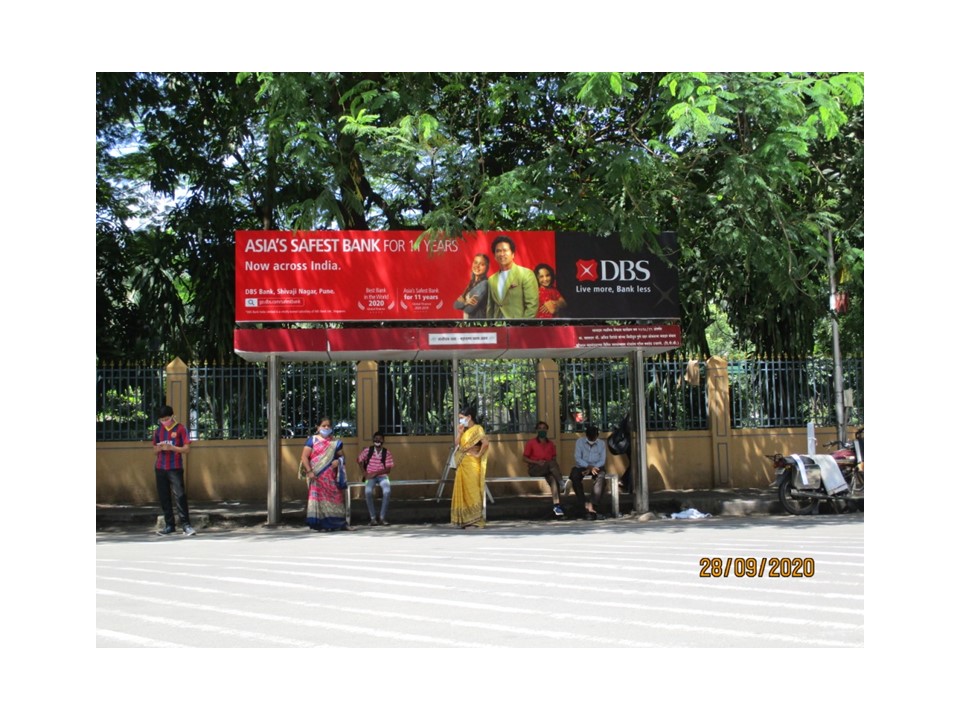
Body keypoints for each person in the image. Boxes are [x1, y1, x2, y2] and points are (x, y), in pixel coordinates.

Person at [300, 417, 350, 532]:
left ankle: (339, 524)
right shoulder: (312, 440)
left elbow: (342, 457)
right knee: (319, 501)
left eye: (328, 426)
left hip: (331, 477)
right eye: (323, 426)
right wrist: (309, 471)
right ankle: (321, 525)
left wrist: (338, 461)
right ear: (318, 427)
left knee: (336, 498)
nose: (326, 428)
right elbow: (304, 457)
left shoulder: (335, 443)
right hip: (316, 476)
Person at [152, 405, 196, 536]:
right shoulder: (158, 431)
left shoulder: (181, 428)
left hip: (175, 467)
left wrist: (172, 448)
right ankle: (169, 525)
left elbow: (186, 449)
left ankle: (186, 525)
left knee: (180, 496)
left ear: (172, 416)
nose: (164, 421)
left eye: (166, 419)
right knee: (164, 497)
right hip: (160, 467)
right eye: (162, 420)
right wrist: (159, 448)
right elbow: (154, 450)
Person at [451, 406, 490, 529]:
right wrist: (459, 432)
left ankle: (476, 520)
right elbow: (457, 444)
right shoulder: (464, 430)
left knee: (472, 490)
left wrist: (478, 454)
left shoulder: (478, 429)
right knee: (464, 491)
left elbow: (485, 443)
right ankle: (465, 520)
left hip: (472, 464)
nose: (460, 421)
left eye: (462, 418)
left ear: (469, 417)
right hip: (462, 464)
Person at [487, 235, 539, 319]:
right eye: (498, 251)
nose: (502, 254)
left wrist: (522, 325)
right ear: (495, 256)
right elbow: (490, 308)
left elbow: (532, 306)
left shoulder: (526, 274)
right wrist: (489, 325)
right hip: (497, 325)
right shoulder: (491, 279)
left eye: (505, 250)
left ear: (513, 254)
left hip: (518, 325)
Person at [523, 420, 566, 518]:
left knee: (553, 479)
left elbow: (553, 458)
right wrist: (537, 462)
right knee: (551, 464)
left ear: (547, 430)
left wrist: (549, 465)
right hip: (535, 468)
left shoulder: (550, 444)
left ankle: (557, 505)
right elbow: (524, 458)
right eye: (540, 428)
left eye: (544, 428)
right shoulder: (531, 443)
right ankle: (562, 483)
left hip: (548, 469)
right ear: (537, 430)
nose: (542, 430)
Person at [570, 425, 608, 520]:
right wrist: (588, 467)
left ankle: (592, 504)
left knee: (601, 477)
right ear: (586, 435)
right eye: (590, 437)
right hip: (582, 466)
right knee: (574, 476)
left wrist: (592, 468)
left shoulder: (601, 444)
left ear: (597, 435)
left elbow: (602, 460)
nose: (591, 439)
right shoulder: (580, 442)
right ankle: (584, 503)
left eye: (593, 437)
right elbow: (578, 458)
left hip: (597, 467)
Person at [357, 431, 395, 526]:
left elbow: (388, 470)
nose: (378, 441)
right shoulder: (368, 451)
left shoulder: (387, 452)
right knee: (368, 491)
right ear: (373, 440)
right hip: (370, 476)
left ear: (383, 441)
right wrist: (364, 473)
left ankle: (382, 518)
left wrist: (375, 473)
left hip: (383, 476)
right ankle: (373, 518)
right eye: (376, 439)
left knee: (387, 491)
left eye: (380, 439)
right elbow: (359, 460)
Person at [453, 253, 490, 319]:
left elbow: (469, 309)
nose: (477, 266)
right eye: (475, 262)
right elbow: (455, 305)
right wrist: (466, 303)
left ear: (487, 268)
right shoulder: (471, 283)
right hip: (468, 322)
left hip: (477, 323)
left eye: (482, 264)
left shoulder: (484, 284)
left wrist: (463, 302)